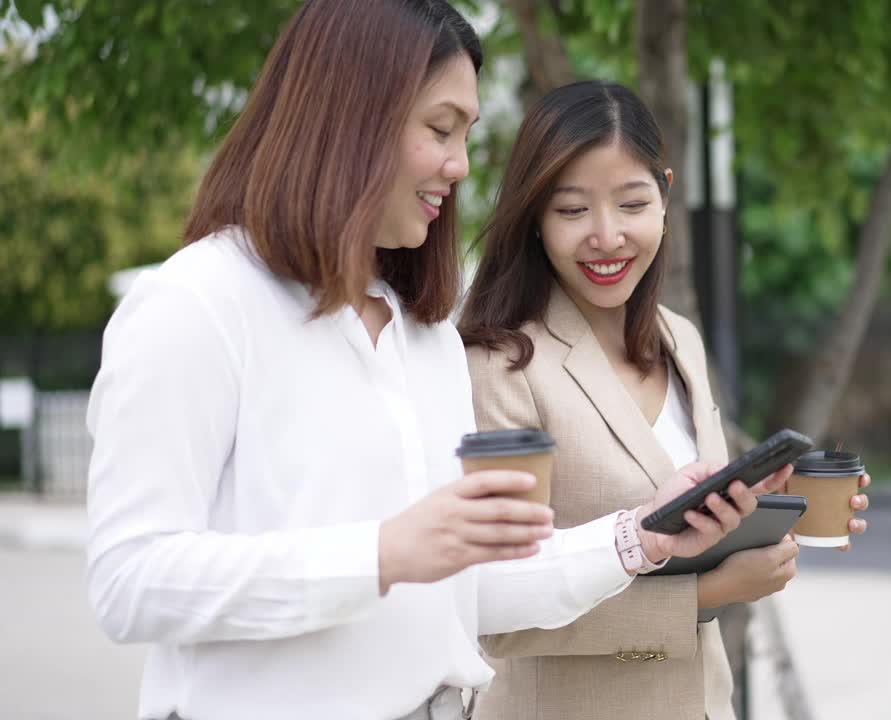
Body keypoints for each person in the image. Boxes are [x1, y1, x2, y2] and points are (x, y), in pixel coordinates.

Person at [83, 4, 784, 719]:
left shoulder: (426, 338)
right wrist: (383, 554)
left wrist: (641, 537)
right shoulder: (198, 303)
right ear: (349, 115)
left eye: (467, 134)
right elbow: (128, 581)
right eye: (440, 128)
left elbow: (474, 593)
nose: (461, 165)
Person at [458, 80, 870, 720]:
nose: (607, 236)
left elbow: (682, 512)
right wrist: (706, 596)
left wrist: (762, 510)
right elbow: (497, 613)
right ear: (534, 218)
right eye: (572, 210)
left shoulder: (680, 340)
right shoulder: (501, 363)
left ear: (666, 196)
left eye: (632, 203)